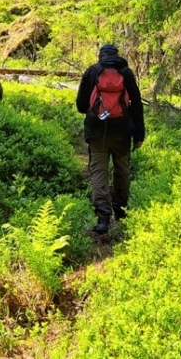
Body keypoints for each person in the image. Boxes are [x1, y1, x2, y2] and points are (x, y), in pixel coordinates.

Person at [76, 43, 145, 234]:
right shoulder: (126, 73)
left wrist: (95, 110)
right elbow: (137, 105)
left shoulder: (92, 71)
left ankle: (103, 219)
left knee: (99, 173)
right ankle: (121, 211)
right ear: (116, 55)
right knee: (122, 171)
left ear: (100, 56)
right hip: (122, 132)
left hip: (97, 132)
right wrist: (139, 134)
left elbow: (81, 105)